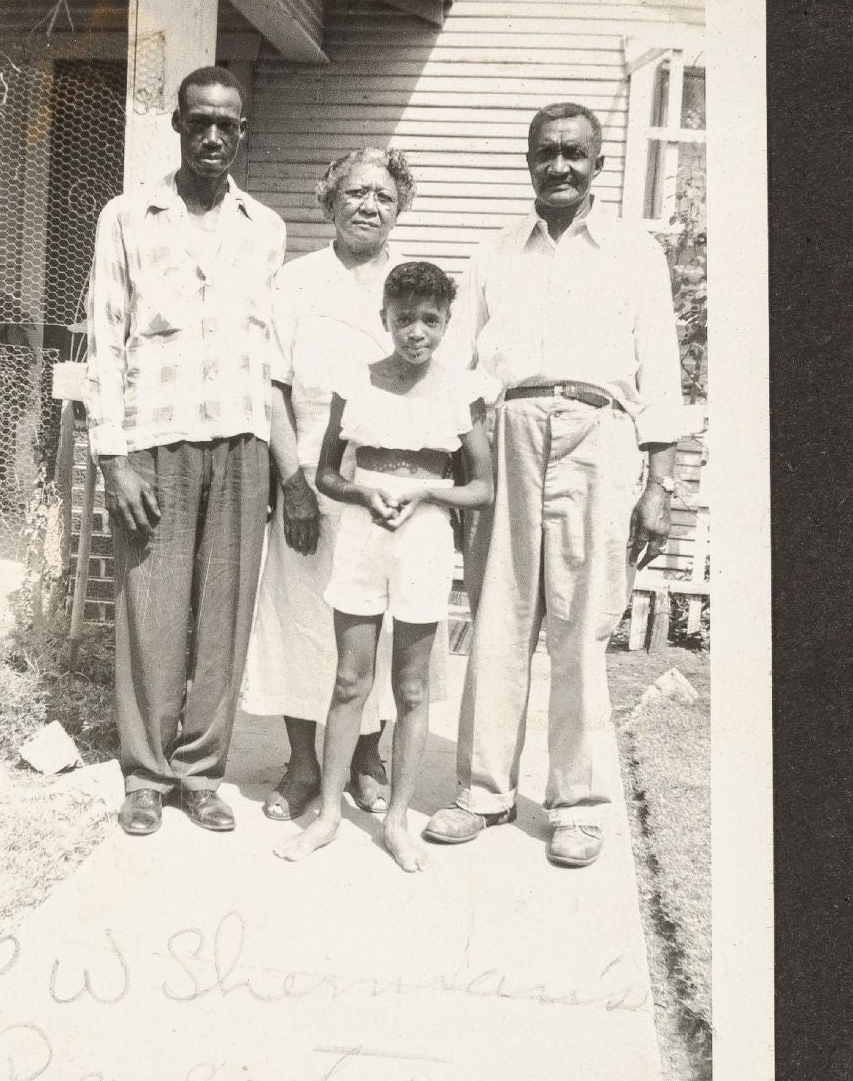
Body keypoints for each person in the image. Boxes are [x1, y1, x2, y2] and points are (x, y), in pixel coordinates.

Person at [424, 101, 685, 868]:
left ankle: (576, 805)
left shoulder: (634, 253)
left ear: (598, 164)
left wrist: (660, 480)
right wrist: (460, 459)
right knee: (496, 619)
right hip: (506, 432)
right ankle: (483, 791)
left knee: (580, 627)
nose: (559, 165)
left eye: (574, 153)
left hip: (599, 436)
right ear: (529, 161)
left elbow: (660, 369)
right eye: (546, 152)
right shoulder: (493, 251)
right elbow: (456, 369)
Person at [84, 65, 292, 837]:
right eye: (198, 121)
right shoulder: (127, 216)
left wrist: (282, 458)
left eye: (225, 125)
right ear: (177, 124)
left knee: (224, 616)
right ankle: (145, 776)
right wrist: (114, 458)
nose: (211, 136)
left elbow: (270, 353)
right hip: (154, 440)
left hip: (240, 439)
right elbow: (105, 339)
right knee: (152, 611)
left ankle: (201, 773)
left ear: (242, 133)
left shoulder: (264, 228)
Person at [277, 262, 494, 875]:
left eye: (430, 320)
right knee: (350, 680)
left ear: (446, 323)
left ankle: (397, 821)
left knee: (412, 686)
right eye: (404, 319)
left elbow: (482, 487)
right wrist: (362, 493)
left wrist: (426, 493)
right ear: (385, 319)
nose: (416, 332)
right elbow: (327, 475)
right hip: (362, 534)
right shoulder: (356, 382)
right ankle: (327, 815)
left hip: (423, 540)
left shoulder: (461, 390)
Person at [241, 148, 415, 821]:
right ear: (329, 201)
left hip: (387, 477)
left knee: (378, 621)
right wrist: (293, 485)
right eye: (355, 193)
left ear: (399, 209)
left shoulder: (410, 280)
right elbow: (274, 387)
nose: (369, 206)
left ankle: (367, 756)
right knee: (301, 616)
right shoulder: (296, 281)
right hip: (309, 472)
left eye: (384, 196)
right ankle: (303, 765)